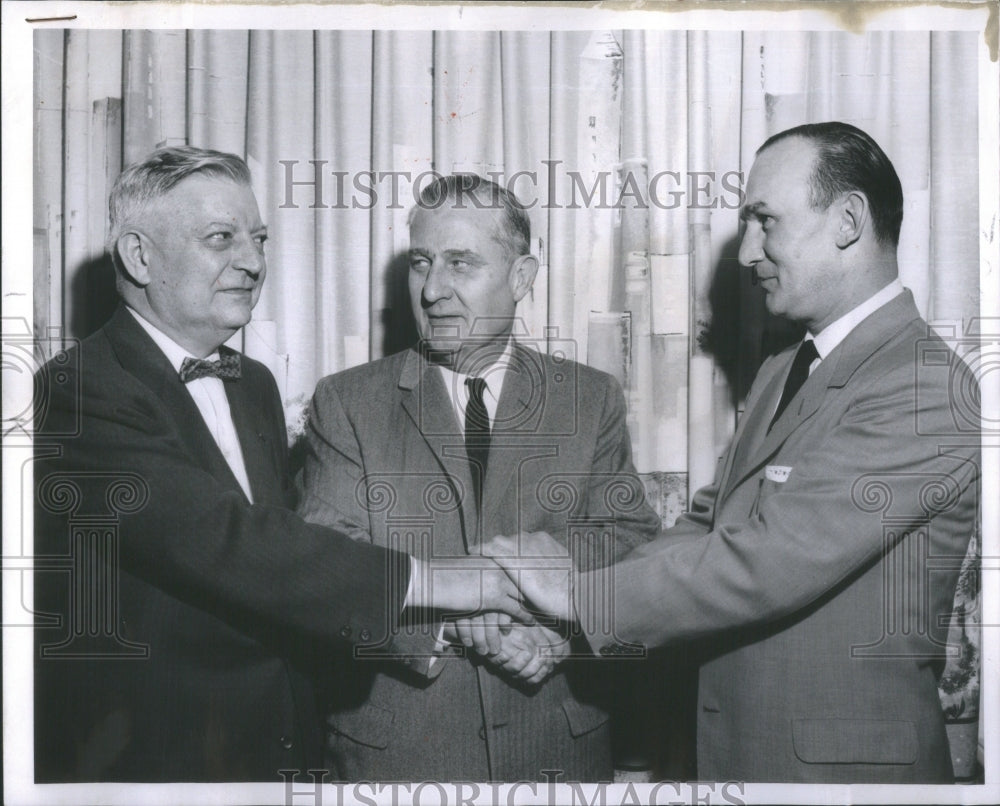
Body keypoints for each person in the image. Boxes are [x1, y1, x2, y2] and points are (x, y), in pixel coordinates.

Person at [486, 122, 981, 783]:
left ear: (848, 220)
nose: (748, 253)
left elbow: (770, 560)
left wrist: (579, 598)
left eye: (764, 221)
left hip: (843, 779)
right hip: (742, 757)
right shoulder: (786, 367)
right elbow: (709, 525)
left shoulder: (925, 382)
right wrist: (572, 622)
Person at [32, 147, 523, 783]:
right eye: (222, 239)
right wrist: (445, 582)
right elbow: (225, 541)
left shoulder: (252, 381)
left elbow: (288, 571)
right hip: (154, 763)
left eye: (258, 239)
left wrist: (438, 630)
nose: (253, 261)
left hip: (278, 749)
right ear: (139, 255)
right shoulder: (73, 390)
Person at [297, 175, 661, 782]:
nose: (433, 289)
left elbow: (628, 541)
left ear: (522, 278)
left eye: (460, 263)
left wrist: (557, 633)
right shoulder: (347, 402)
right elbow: (326, 564)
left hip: (556, 750)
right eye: (421, 263)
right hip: (400, 761)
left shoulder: (590, 399)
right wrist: (446, 617)